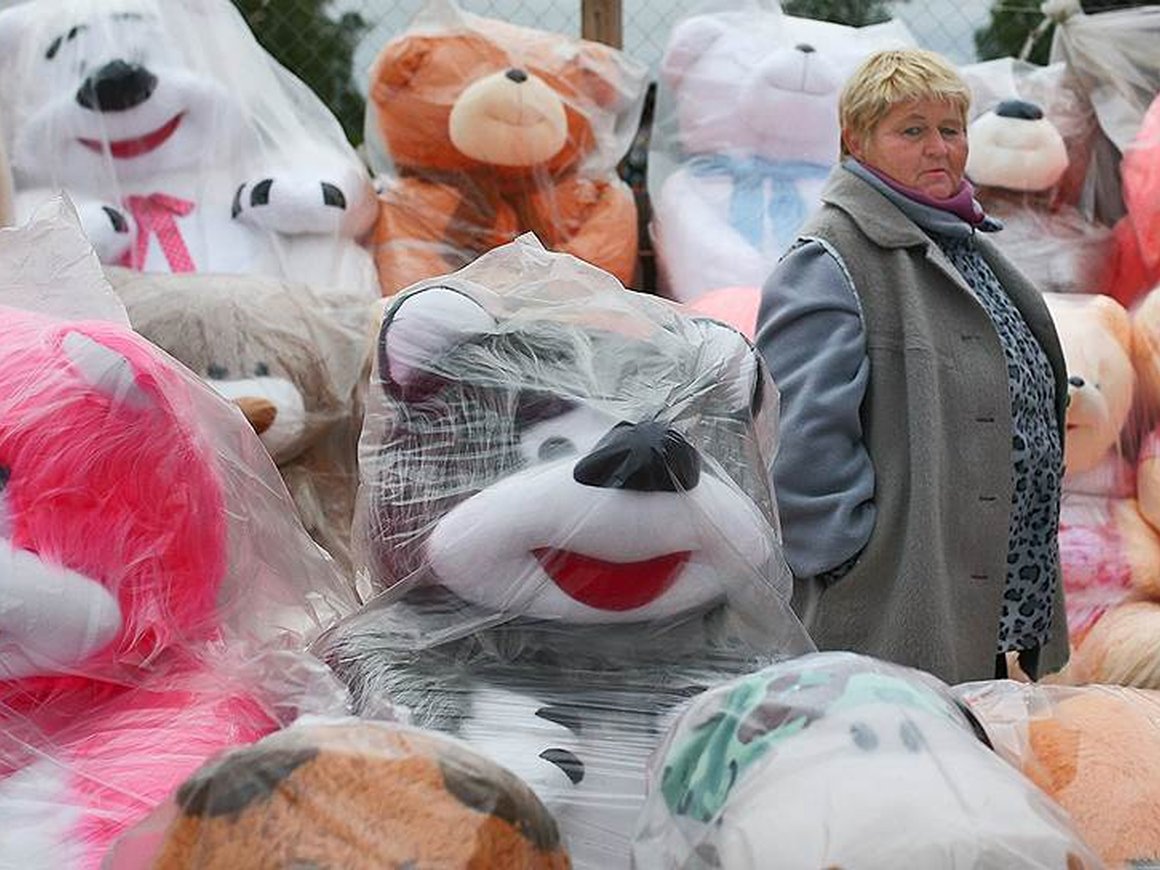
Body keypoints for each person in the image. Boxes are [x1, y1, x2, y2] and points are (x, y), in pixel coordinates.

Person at [755, 48, 1069, 685]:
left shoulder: (963, 243)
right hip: (897, 608)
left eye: (951, 130)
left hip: (988, 604)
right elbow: (798, 441)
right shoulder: (831, 258)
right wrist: (858, 564)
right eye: (912, 131)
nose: (940, 149)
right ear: (857, 140)